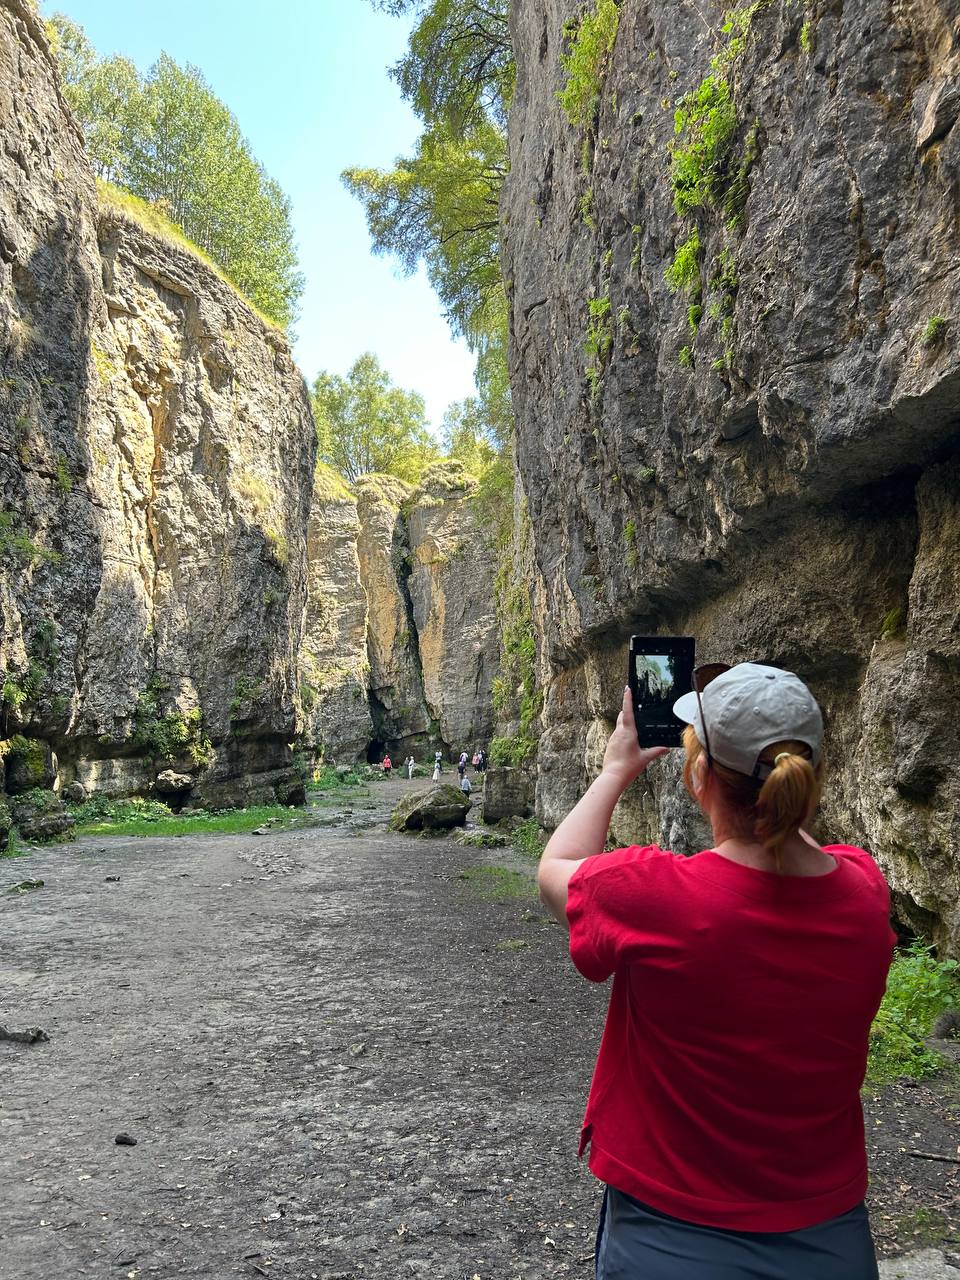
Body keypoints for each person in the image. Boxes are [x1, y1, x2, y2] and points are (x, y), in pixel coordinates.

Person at [537, 663, 895, 1280]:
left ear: (698, 776)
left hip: (669, 1237)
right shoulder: (864, 890)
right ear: (810, 780)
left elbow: (558, 866)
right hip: (828, 1237)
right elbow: (802, 856)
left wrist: (616, 769)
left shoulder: (655, 897)